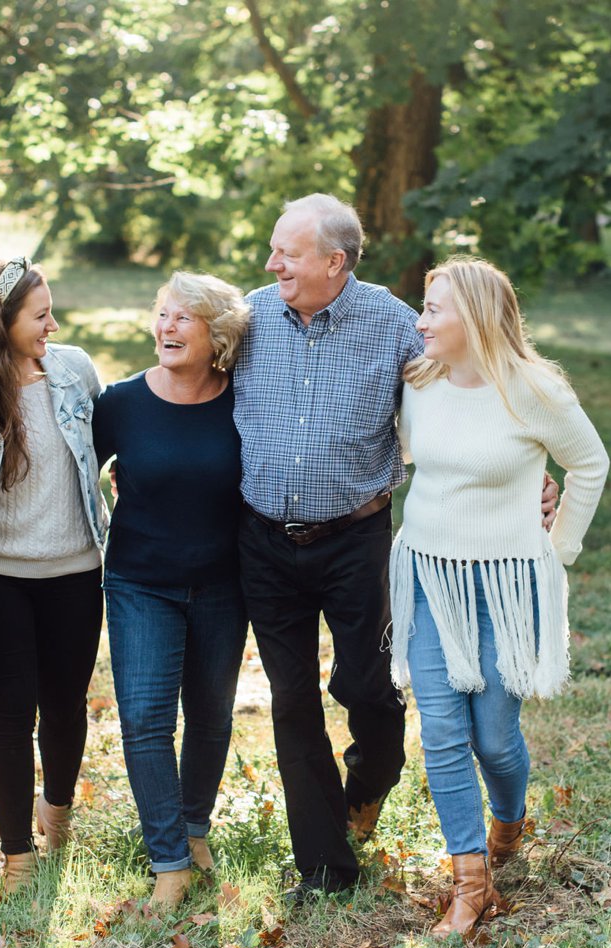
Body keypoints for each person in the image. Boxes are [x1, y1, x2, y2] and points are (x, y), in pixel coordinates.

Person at [234, 194, 558, 903]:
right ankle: (324, 864)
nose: (272, 263)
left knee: (370, 690)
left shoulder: (393, 324)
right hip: (262, 539)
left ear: (334, 261)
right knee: (291, 702)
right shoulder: (250, 315)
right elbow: (192, 375)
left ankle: (368, 785)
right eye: (273, 250)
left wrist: (537, 473)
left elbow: (477, 384)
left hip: (357, 538)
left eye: (286, 252)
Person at [389, 256, 608, 939]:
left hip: (506, 585)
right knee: (444, 732)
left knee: (494, 736)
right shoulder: (417, 384)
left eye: (434, 309)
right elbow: (397, 459)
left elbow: (590, 463)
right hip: (428, 576)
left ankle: (509, 816)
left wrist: (559, 544)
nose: (420, 321)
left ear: (477, 317)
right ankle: (471, 879)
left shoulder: (533, 389)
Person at [0, 257, 107, 895]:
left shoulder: (74, 371)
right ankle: (16, 858)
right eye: (40, 316)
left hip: (76, 570)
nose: (53, 325)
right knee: (10, 714)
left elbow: (109, 444)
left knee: (65, 706)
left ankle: (56, 815)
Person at [93, 272, 250, 911]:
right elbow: (72, 471)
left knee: (210, 717)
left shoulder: (245, 401)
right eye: (162, 314)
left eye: (185, 318)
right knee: (144, 718)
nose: (167, 327)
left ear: (219, 336)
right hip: (139, 582)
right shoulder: (121, 403)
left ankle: (195, 826)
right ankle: (168, 861)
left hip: (224, 582)